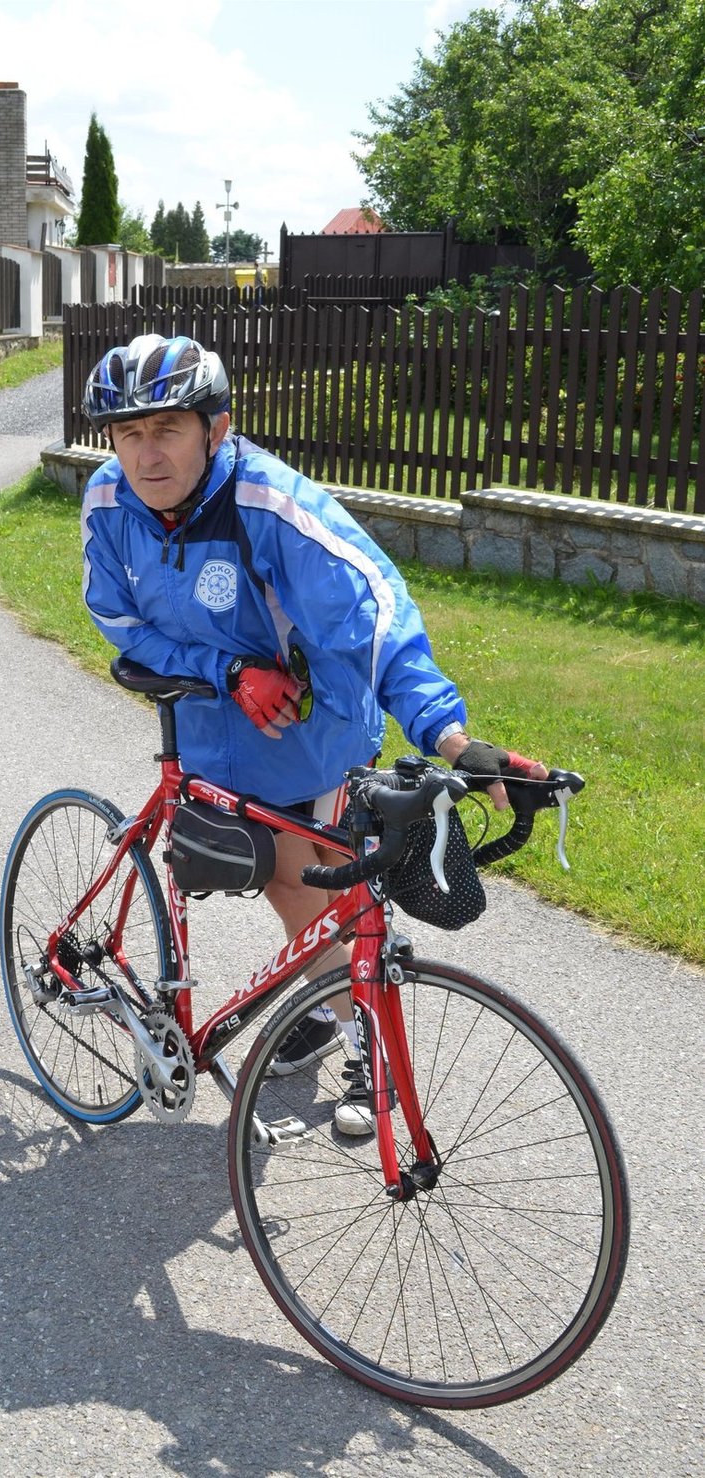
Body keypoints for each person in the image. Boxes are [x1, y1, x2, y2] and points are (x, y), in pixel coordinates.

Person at [79, 334, 545, 1134]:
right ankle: (331, 1007)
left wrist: (449, 736)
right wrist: (226, 671)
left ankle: (360, 1031)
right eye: (129, 435)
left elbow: (375, 620)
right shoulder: (108, 503)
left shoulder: (271, 506)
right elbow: (115, 619)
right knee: (286, 878)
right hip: (213, 728)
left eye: (168, 431)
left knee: (334, 882)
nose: (146, 456)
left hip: (317, 729)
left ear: (216, 429)